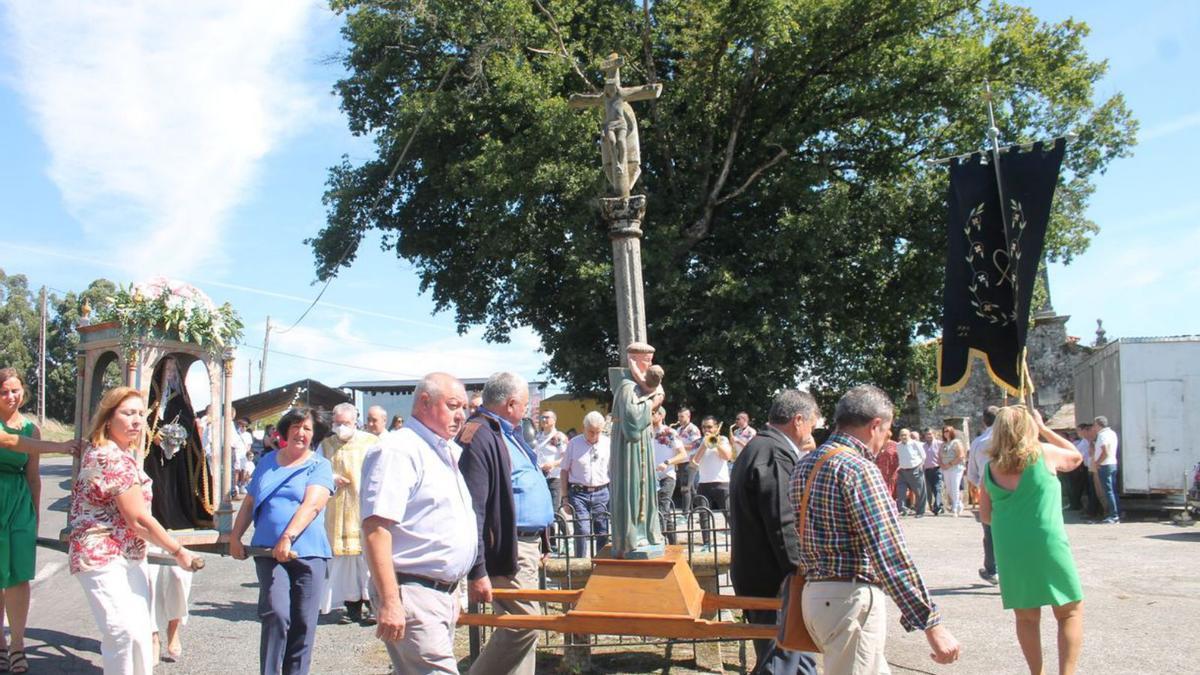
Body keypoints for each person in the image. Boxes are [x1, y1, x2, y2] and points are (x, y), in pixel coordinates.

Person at [791, 385, 959, 672]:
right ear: (875, 425)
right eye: (888, 430)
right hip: (849, 599)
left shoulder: (805, 463)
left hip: (815, 596)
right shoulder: (857, 468)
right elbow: (889, 551)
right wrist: (931, 623)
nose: (887, 439)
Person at [68, 386, 199, 675]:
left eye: (141, 414)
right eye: (128, 413)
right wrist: (178, 551)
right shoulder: (108, 456)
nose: (137, 421)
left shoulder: (124, 454)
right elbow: (138, 519)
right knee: (122, 633)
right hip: (102, 556)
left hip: (130, 554)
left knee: (140, 633)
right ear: (107, 418)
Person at [360, 372, 476, 673]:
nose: (461, 415)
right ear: (424, 402)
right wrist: (389, 600)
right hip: (412, 592)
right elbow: (375, 529)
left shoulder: (441, 451)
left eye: (463, 407)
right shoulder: (398, 450)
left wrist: (456, 590)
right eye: (453, 405)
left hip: (438, 594)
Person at [458, 372, 554, 675]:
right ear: (511, 403)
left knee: (526, 631)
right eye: (525, 405)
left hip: (526, 544)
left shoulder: (507, 432)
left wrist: (543, 538)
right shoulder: (479, 434)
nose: (526, 411)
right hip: (507, 546)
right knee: (524, 625)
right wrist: (478, 567)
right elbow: (473, 507)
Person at [229, 407, 335, 675]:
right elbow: (250, 501)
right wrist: (235, 536)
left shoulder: (320, 465)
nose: (301, 432)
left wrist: (288, 537)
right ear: (286, 430)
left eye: (307, 428)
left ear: (315, 434)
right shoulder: (267, 462)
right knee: (275, 614)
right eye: (296, 426)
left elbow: (312, 505)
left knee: (303, 623)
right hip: (267, 551)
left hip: (309, 553)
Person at [980, 406, 1084, 675]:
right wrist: (1046, 429)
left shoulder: (990, 469)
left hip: (1011, 548)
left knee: (1026, 617)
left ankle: (1037, 673)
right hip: (1047, 542)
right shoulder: (1044, 454)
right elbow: (1076, 457)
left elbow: (986, 516)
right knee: (1069, 611)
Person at [729, 389, 820, 675]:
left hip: (763, 575)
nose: (814, 430)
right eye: (813, 422)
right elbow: (783, 522)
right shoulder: (773, 453)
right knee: (780, 662)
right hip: (774, 581)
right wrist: (799, 572)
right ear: (798, 420)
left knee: (798, 660)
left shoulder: (759, 448)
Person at [318, 403, 376, 625]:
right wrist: (331, 477)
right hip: (338, 510)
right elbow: (318, 468)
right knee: (343, 563)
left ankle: (373, 605)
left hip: (363, 509)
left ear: (355, 422)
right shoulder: (326, 445)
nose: (341, 427)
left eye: (346, 423)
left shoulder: (370, 442)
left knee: (367, 560)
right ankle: (350, 605)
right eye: (338, 423)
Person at [0, 368, 42, 675]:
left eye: (15, 390)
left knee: (19, 576)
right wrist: (62, 446)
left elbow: (33, 475)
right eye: (4, 391)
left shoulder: (32, 428)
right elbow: (13, 446)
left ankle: (17, 645)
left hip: (19, 502)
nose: (11, 396)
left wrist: (36, 515)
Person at [607, 344, 666, 556]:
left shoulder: (640, 386)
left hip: (642, 445)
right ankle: (631, 536)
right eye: (646, 361)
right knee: (631, 488)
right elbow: (632, 419)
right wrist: (654, 402)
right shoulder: (626, 387)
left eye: (651, 360)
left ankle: (646, 533)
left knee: (644, 489)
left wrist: (653, 399)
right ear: (635, 360)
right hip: (629, 448)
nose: (649, 365)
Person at [561, 412, 611, 557]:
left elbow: (614, 469)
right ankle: (580, 564)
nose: (594, 435)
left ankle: (601, 566)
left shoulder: (607, 443)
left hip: (602, 492)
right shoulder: (574, 443)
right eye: (591, 432)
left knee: (602, 531)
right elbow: (564, 471)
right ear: (584, 427)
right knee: (582, 530)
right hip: (578, 493)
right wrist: (564, 498)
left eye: (598, 432)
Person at [967, 406, 1000, 585]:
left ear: (984, 421)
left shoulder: (978, 442)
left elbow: (971, 474)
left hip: (987, 489)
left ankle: (992, 569)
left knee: (990, 532)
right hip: (1013, 490)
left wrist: (981, 484)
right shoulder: (1012, 441)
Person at [693, 416, 733, 549]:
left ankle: (738, 541)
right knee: (703, 514)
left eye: (709, 427)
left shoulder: (723, 440)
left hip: (722, 483)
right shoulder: (699, 441)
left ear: (716, 428)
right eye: (704, 427)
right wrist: (704, 445)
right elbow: (694, 461)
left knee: (729, 513)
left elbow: (727, 456)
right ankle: (706, 543)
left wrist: (715, 443)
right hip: (704, 483)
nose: (706, 430)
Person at [650, 407, 687, 544]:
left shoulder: (670, 432)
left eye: (653, 413)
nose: (650, 415)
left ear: (661, 415)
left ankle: (660, 542)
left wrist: (667, 462)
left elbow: (683, 454)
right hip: (651, 478)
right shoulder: (646, 433)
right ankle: (673, 543)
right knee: (663, 512)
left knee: (662, 509)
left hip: (667, 476)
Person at [532, 410, 569, 547]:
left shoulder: (558, 437)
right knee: (548, 509)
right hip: (541, 477)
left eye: (547, 417)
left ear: (554, 420)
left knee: (553, 511)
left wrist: (552, 464)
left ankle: (553, 542)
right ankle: (563, 537)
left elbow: (566, 456)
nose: (543, 420)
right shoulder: (538, 436)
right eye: (542, 417)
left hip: (555, 477)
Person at [673, 408, 701, 515]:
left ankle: (685, 513)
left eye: (682, 417)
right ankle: (702, 508)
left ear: (688, 416)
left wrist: (680, 447)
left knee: (685, 488)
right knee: (692, 489)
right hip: (681, 461)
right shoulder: (678, 429)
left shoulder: (693, 429)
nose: (679, 419)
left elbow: (696, 444)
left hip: (690, 461)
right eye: (679, 416)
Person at [1092, 416, 1120, 524]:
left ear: (1098, 424)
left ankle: (1113, 515)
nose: (1094, 427)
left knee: (1108, 491)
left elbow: (1105, 451)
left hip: (1105, 465)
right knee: (1113, 490)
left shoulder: (1102, 435)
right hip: (1112, 463)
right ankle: (1116, 513)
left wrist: (1097, 462)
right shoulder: (1112, 433)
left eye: (1094, 425)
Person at [895, 429, 926, 516]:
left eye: (905, 435)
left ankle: (920, 511)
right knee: (901, 491)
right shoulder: (898, 445)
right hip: (903, 471)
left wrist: (920, 466)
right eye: (901, 435)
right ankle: (903, 509)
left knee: (919, 492)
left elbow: (923, 456)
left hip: (915, 469)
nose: (903, 437)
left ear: (909, 435)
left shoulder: (915, 443)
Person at [939, 426, 967, 517]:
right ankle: (958, 503)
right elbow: (939, 456)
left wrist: (950, 464)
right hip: (945, 468)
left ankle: (954, 507)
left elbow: (961, 455)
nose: (945, 433)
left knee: (955, 486)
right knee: (949, 488)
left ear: (952, 432)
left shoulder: (956, 442)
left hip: (956, 467)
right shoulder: (943, 444)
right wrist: (942, 465)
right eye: (944, 431)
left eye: (947, 431)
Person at [921, 428, 944, 515]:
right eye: (927, 434)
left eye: (930, 434)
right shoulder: (923, 446)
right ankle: (940, 506)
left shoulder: (939, 444)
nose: (928, 436)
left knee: (937, 488)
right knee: (930, 490)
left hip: (937, 469)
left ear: (934, 434)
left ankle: (937, 507)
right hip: (926, 470)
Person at [873, 429, 900, 498]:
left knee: (891, 490)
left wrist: (897, 470)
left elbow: (901, 458)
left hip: (891, 471)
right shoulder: (878, 445)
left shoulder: (895, 445)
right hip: (880, 472)